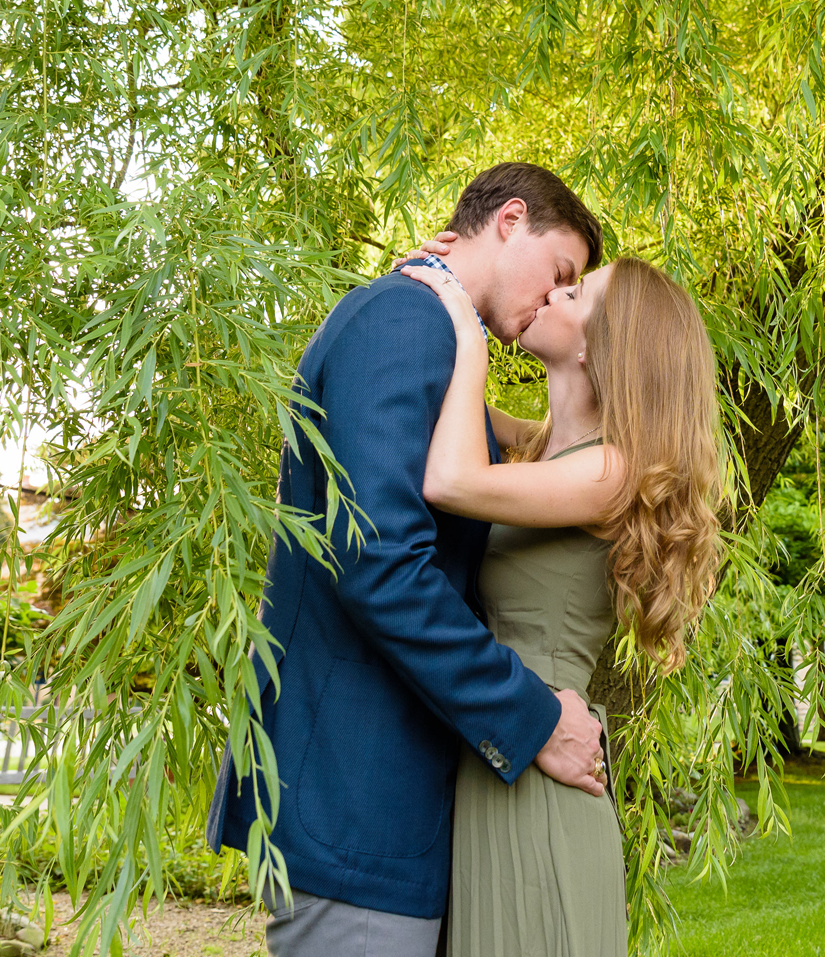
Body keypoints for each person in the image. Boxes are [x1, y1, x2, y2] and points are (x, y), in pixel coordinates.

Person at [204, 162, 611, 957]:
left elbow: (530, 457)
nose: (554, 298)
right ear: (509, 220)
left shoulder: (433, 333)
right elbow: (382, 562)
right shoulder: (403, 322)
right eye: (559, 272)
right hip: (361, 802)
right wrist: (531, 719)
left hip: (400, 808)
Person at [396, 235, 725, 957]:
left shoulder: (612, 471)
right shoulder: (543, 447)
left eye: (574, 294)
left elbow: (450, 479)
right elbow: (441, 418)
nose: (550, 292)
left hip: (540, 771)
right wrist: (443, 280)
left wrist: (464, 322)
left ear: (599, 351)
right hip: (506, 743)